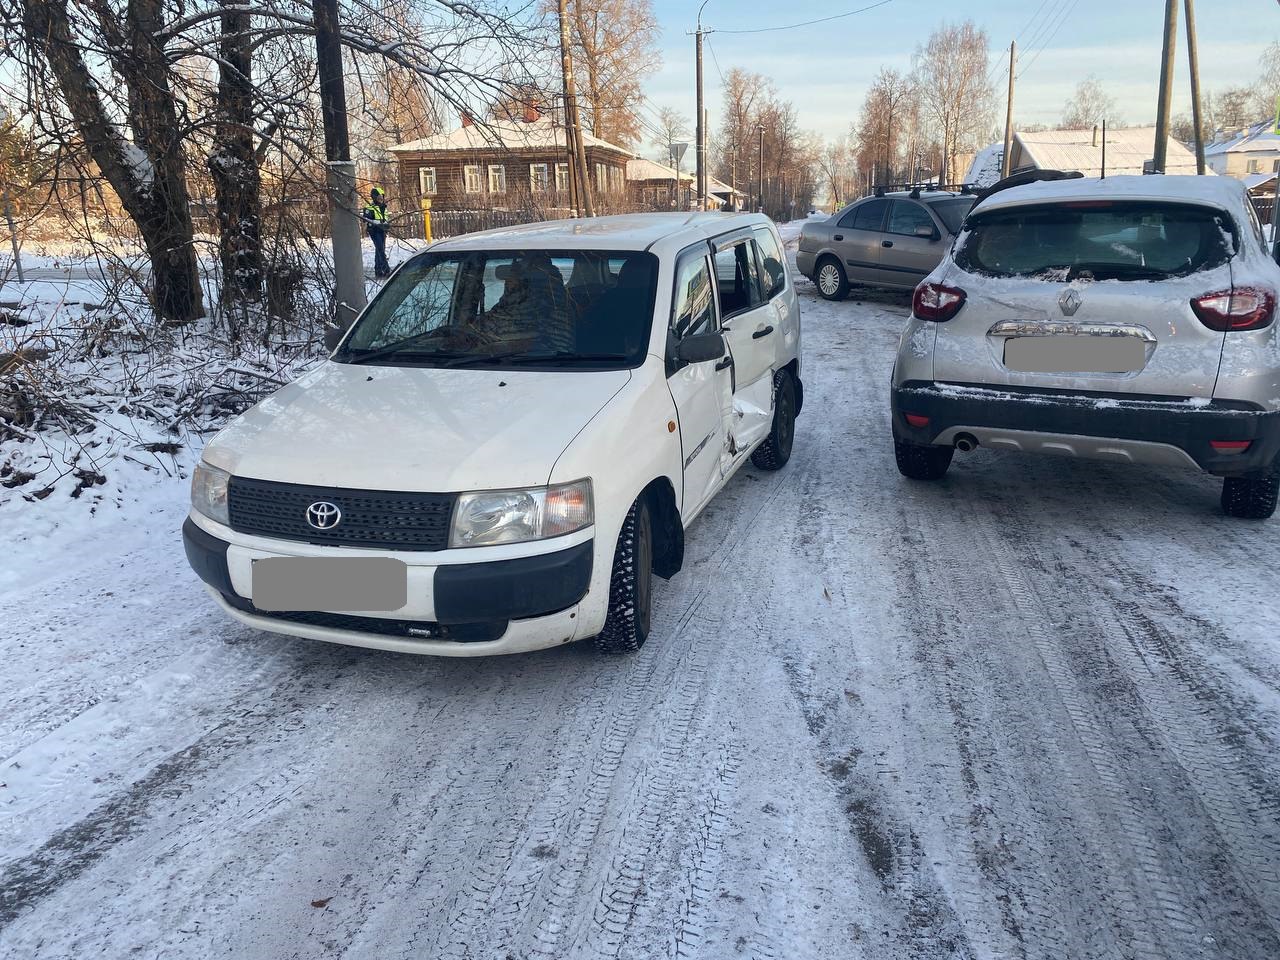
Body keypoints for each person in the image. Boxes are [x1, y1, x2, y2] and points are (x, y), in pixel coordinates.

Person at [363, 187, 391, 278]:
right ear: (374, 198)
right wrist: (376, 223)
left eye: (382, 197)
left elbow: (385, 219)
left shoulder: (384, 207)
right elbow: (366, 219)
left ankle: (378, 270)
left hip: (382, 230)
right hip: (374, 231)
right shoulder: (369, 208)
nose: (381, 199)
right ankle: (386, 269)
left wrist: (386, 225)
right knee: (380, 249)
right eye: (379, 197)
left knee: (379, 249)